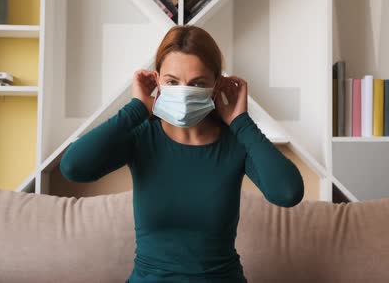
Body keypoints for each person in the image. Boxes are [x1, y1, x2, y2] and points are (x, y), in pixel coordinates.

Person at [59, 24, 305, 283]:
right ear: (157, 81)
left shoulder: (235, 142)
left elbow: (287, 193)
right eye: (172, 82)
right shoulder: (142, 136)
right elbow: (74, 167)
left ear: (216, 85)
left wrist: (241, 122)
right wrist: (135, 109)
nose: (184, 92)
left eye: (197, 83)